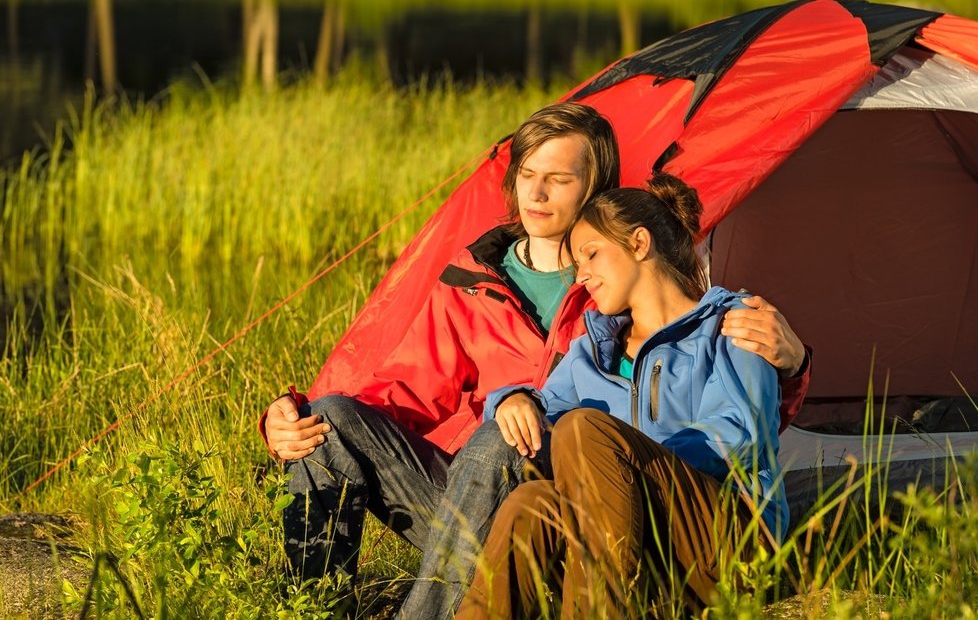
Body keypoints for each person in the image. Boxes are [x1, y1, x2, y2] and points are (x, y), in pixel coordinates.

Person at [258, 103, 809, 617]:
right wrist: (288, 415)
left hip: (605, 491)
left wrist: (793, 364)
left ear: (596, 190)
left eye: (560, 179)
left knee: (522, 438)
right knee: (328, 419)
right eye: (527, 174)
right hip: (484, 500)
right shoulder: (476, 280)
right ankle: (310, 606)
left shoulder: (621, 290)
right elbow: (402, 390)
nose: (537, 193)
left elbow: (738, 416)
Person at [457, 177, 788, 619]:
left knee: (584, 431)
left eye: (591, 254)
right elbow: (543, 410)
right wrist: (512, 399)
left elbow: (741, 433)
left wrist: (622, 458)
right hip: (642, 544)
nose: (582, 275)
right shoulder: (592, 352)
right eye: (576, 264)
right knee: (530, 503)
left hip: (730, 546)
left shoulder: (731, 321)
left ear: (638, 244)